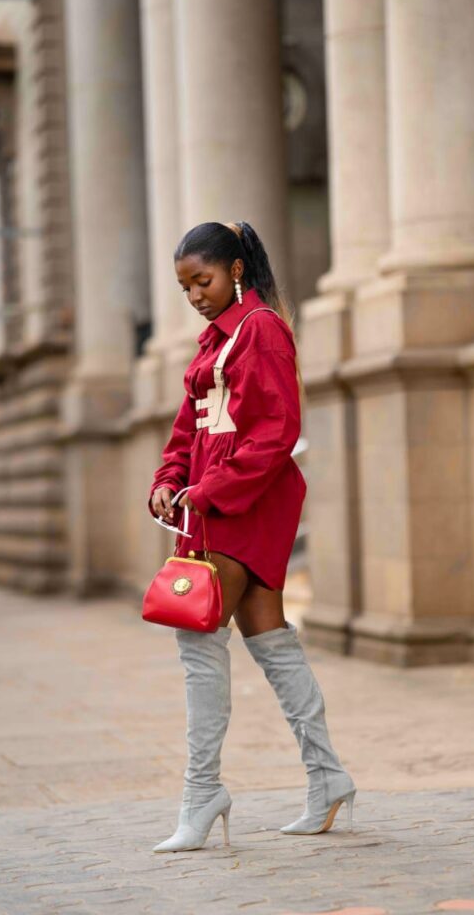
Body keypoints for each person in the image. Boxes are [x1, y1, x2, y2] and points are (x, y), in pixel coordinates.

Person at [148, 220, 355, 853]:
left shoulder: (261, 331)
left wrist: (206, 491)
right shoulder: (215, 340)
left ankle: (201, 791)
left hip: (246, 504)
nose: (195, 296)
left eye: (202, 281)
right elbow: (190, 426)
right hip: (216, 504)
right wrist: (167, 477)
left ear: (235, 270)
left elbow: (276, 432)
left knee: (198, 641)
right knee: (269, 635)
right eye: (184, 288)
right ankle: (328, 778)